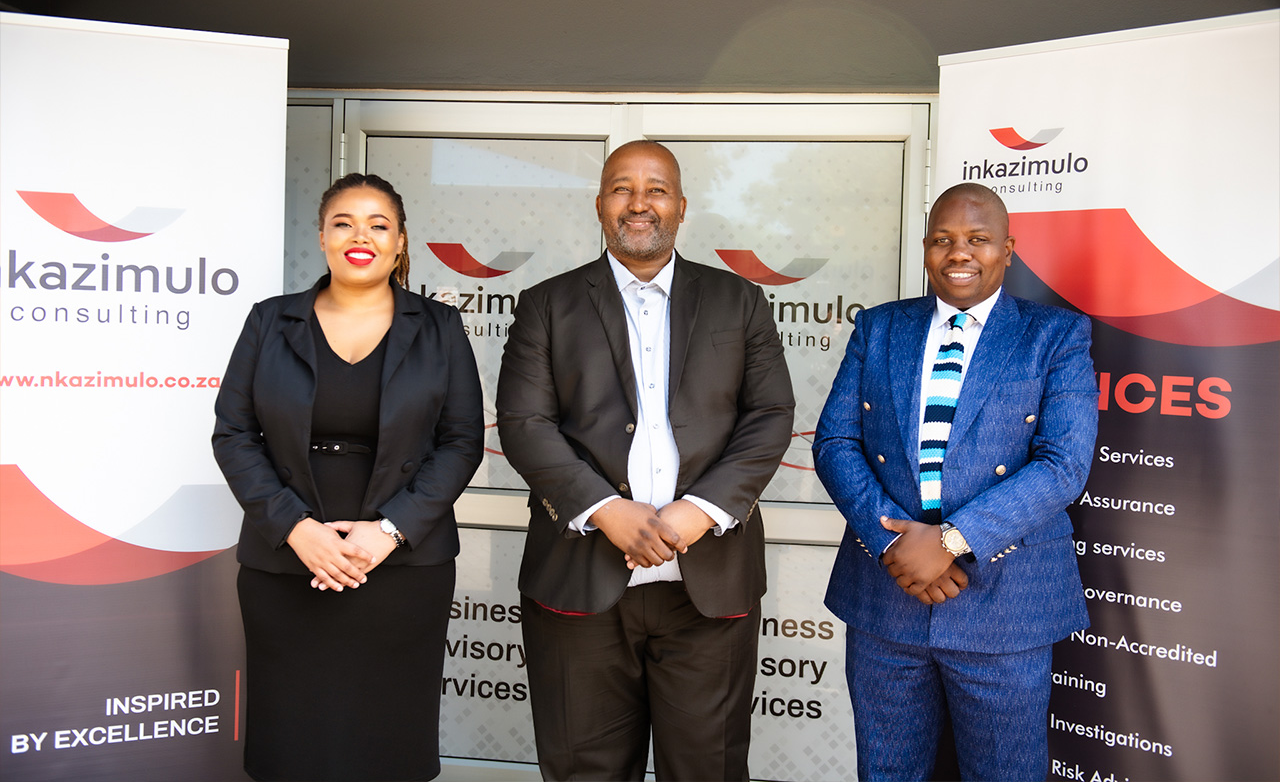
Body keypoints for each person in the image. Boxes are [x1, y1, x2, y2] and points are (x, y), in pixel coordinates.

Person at [496, 140, 795, 782]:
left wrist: (701, 510)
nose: (639, 203)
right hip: (580, 580)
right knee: (586, 771)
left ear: (681, 207)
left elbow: (770, 416)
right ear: (600, 205)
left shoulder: (739, 300)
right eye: (622, 188)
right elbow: (524, 424)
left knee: (708, 770)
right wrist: (605, 510)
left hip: (709, 582)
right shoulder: (546, 304)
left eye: (656, 189)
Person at [813, 182, 1097, 781]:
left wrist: (948, 541)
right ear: (925, 249)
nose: (959, 252)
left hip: (1006, 605)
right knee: (888, 772)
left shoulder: (1055, 335)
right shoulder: (880, 328)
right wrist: (893, 543)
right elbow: (835, 442)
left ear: (1007, 250)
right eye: (942, 239)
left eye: (977, 239)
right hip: (887, 598)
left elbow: (1063, 464)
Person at [212, 173, 484, 782]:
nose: (361, 236)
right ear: (322, 237)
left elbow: (461, 441)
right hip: (286, 562)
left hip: (403, 563)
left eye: (378, 225)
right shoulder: (269, 321)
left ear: (400, 241)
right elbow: (233, 434)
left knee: (389, 740)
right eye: (344, 223)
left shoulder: (440, 327)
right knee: (292, 739)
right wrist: (296, 529)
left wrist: (388, 531)